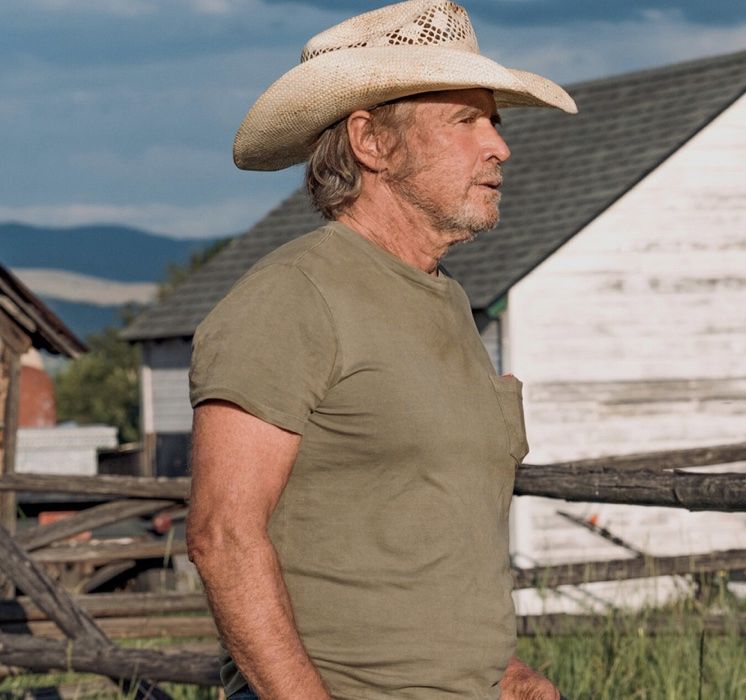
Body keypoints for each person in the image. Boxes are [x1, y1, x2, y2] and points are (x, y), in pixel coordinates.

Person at [184, 2, 576, 698]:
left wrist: (499, 673)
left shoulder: (447, 301)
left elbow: (428, 525)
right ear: (371, 142)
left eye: (497, 121)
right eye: (465, 121)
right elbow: (223, 536)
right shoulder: (294, 297)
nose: (499, 146)